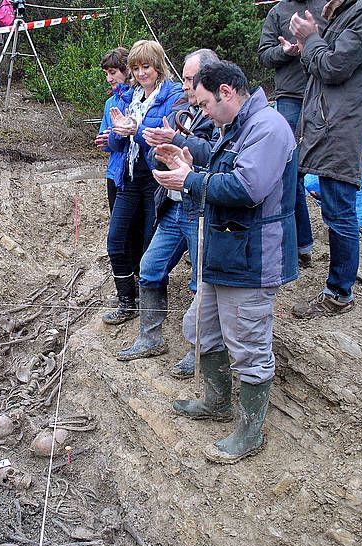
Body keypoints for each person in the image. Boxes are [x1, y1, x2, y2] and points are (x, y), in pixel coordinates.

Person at [153, 61, 296, 464]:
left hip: (251, 257)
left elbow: (247, 188)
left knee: (249, 346)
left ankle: (250, 434)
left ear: (227, 92)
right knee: (200, 329)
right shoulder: (235, 127)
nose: (202, 114)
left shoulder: (267, 128)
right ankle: (217, 403)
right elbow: (222, 171)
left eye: (204, 104)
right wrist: (189, 166)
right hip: (225, 249)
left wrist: (189, 181)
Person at [289, 0, 362, 317]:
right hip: (332, 122)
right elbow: (327, 62)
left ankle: (339, 293)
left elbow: (334, 68)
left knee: (338, 211)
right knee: (335, 208)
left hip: (341, 126)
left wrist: (311, 38)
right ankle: (336, 283)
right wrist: (307, 45)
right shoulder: (353, 12)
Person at [115, 48, 219, 373]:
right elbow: (160, 153)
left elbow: (216, 157)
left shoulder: (220, 114)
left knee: (200, 282)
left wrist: (176, 140)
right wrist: (157, 144)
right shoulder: (181, 107)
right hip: (173, 208)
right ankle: (151, 338)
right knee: (149, 267)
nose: (186, 86)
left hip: (201, 207)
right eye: (185, 79)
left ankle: (198, 350)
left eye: (191, 80)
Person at [102, 39, 183, 325]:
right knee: (115, 239)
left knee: (150, 246)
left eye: (146, 66)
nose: (141, 73)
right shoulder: (131, 96)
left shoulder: (172, 94)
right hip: (129, 176)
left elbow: (164, 130)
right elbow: (114, 141)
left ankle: (152, 313)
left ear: (158, 66)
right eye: (135, 68)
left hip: (157, 179)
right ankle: (127, 300)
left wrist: (134, 129)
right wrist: (119, 131)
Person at [258, 0, 326, 268]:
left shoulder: (328, 6)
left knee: (325, 172)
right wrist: (285, 52)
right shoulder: (278, 12)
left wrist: (313, 41)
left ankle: (308, 245)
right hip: (290, 98)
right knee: (288, 171)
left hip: (323, 92)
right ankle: (299, 245)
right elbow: (264, 55)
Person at [94, 47, 144, 291]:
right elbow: (107, 140)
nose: (109, 78)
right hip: (115, 174)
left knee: (138, 229)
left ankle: (140, 274)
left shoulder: (139, 99)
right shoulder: (110, 103)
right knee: (119, 230)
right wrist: (106, 139)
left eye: (113, 72)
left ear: (126, 71)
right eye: (106, 73)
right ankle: (128, 284)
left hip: (138, 174)